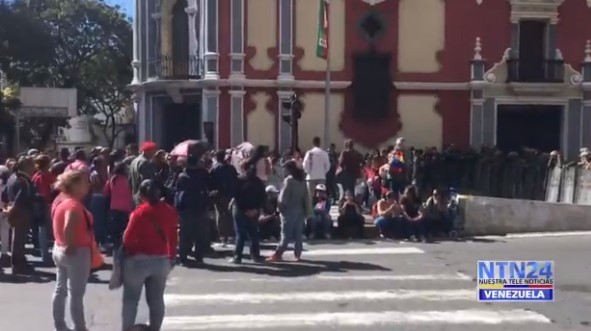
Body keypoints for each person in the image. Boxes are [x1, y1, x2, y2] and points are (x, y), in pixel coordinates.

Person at [121, 179, 178, 331]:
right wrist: (171, 256)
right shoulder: (169, 211)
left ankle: (127, 328)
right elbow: (173, 237)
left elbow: (128, 238)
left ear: (142, 195)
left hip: (137, 260)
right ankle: (155, 328)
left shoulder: (139, 212)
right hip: (161, 260)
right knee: (156, 299)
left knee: (131, 300)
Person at [51, 170, 92, 331]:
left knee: (60, 289)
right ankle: (79, 327)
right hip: (75, 252)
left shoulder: (61, 200)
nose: (87, 185)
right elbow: (68, 226)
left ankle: (60, 325)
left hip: (59, 248)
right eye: (84, 182)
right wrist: (71, 244)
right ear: (75, 185)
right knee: (76, 294)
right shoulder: (73, 205)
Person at [267, 160, 310, 262]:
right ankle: (297, 254)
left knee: (285, 235)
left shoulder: (289, 181)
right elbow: (305, 196)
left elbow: (283, 198)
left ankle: (278, 253)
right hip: (300, 210)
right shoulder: (302, 180)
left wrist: (279, 209)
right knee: (298, 235)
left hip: (288, 211)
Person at [174, 154, 210, 265]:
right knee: (200, 233)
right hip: (200, 205)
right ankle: (199, 256)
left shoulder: (182, 175)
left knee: (185, 233)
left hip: (186, 207)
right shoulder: (203, 174)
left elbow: (177, 189)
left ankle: (183, 256)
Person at [5, 156, 38, 274]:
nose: (34, 167)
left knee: (18, 237)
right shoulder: (23, 180)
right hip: (21, 211)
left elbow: (5, 193)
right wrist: (12, 209)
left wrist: (6, 207)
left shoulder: (12, 178)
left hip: (15, 210)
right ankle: (17, 264)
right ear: (27, 166)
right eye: (32, 165)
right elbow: (21, 197)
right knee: (19, 238)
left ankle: (20, 261)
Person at [229, 161, 266, 264]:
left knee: (240, 233)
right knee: (254, 233)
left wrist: (245, 209)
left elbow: (236, 196)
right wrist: (256, 209)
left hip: (240, 209)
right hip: (254, 210)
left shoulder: (239, 180)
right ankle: (255, 256)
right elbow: (263, 197)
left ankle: (237, 257)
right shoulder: (258, 182)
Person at [209, 150, 238, 245]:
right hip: (229, 194)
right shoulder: (231, 168)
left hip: (218, 194)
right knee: (229, 214)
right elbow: (235, 180)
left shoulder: (214, 168)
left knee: (220, 215)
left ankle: (222, 236)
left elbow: (210, 181)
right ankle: (230, 235)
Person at [104, 162, 133, 250]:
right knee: (123, 229)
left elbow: (105, 192)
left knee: (114, 230)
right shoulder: (127, 180)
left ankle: (115, 248)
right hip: (125, 208)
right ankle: (123, 248)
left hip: (114, 207)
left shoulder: (113, 179)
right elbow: (130, 193)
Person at [129, 141, 158, 206]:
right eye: (153, 151)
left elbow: (130, 180)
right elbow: (147, 182)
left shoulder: (133, 162)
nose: (154, 154)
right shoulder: (145, 163)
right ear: (148, 151)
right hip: (144, 198)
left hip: (135, 197)